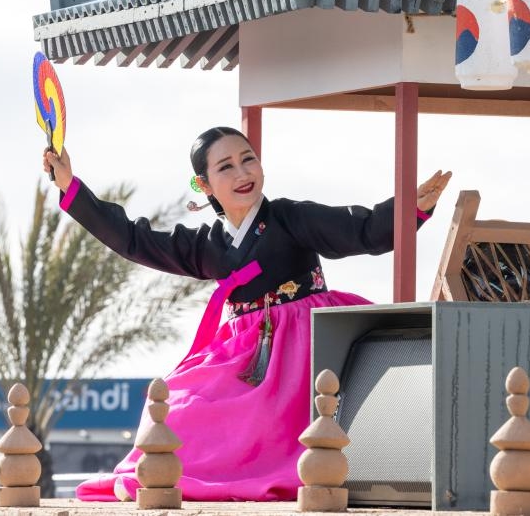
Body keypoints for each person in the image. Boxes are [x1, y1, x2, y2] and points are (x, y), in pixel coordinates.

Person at [42, 126, 451, 502]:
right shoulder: (206, 244)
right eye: (226, 166)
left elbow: (358, 230)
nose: (242, 172)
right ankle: (177, 475)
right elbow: (134, 239)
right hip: (245, 353)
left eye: (248, 159)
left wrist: (408, 209)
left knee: (273, 425)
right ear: (204, 185)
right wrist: (70, 187)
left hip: (306, 346)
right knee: (174, 404)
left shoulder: (290, 217)